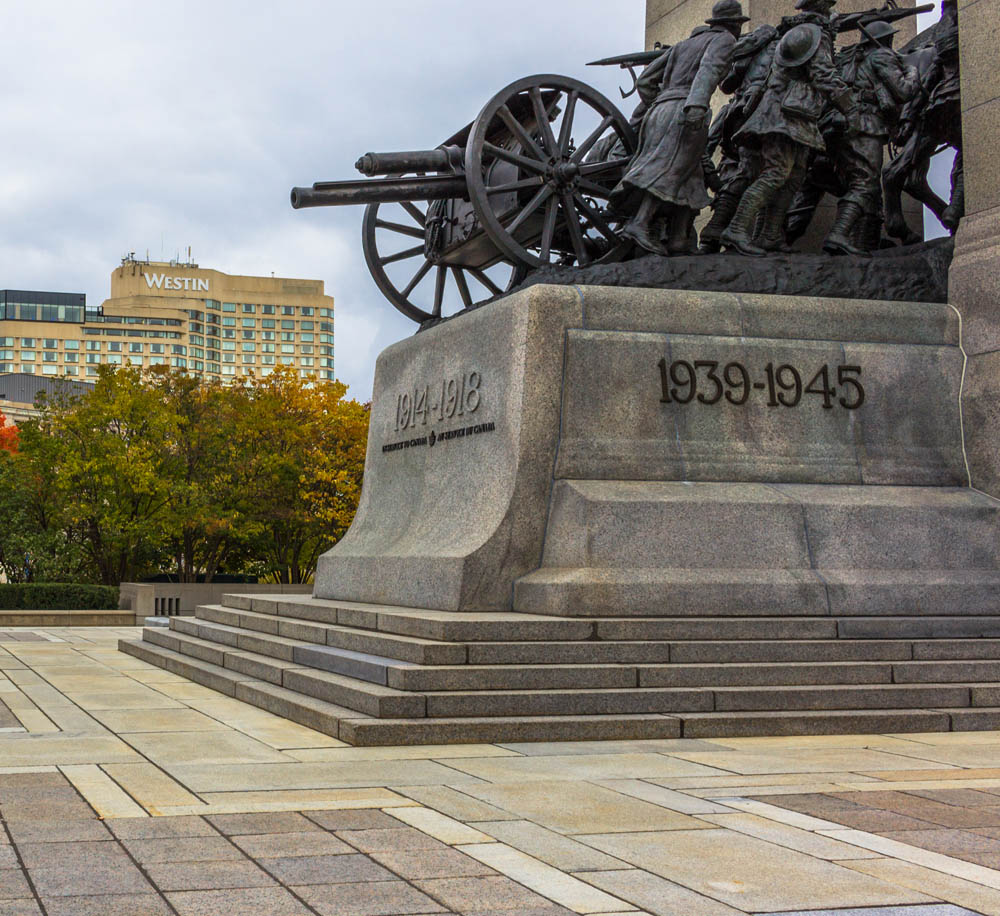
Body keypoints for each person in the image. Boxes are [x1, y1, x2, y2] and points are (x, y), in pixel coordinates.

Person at [611, 0, 750, 256]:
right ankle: (640, 223)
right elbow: (708, 71)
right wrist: (694, 105)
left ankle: (678, 240)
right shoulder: (725, 40)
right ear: (734, 25)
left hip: (660, 111)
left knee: (692, 175)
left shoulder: (682, 45)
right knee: (669, 169)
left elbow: (645, 80)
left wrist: (660, 100)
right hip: (687, 111)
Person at [720, 0, 852, 256]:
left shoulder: (808, 31)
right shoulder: (813, 33)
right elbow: (823, 75)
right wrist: (851, 107)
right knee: (776, 173)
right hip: (783, 115)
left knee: (794, 176)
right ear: (824, 9)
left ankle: (769, 235)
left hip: (798, 115)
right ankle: (736, 229)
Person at [822, 20, 918, 255]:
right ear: (887, 39)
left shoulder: (852, 59)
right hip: (864, 125)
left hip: (838, 126)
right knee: (864, 182)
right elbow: (903, 91)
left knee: (868, 186)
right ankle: (839, 233)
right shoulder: (881, 56)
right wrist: (912, 71)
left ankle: (864, 243)